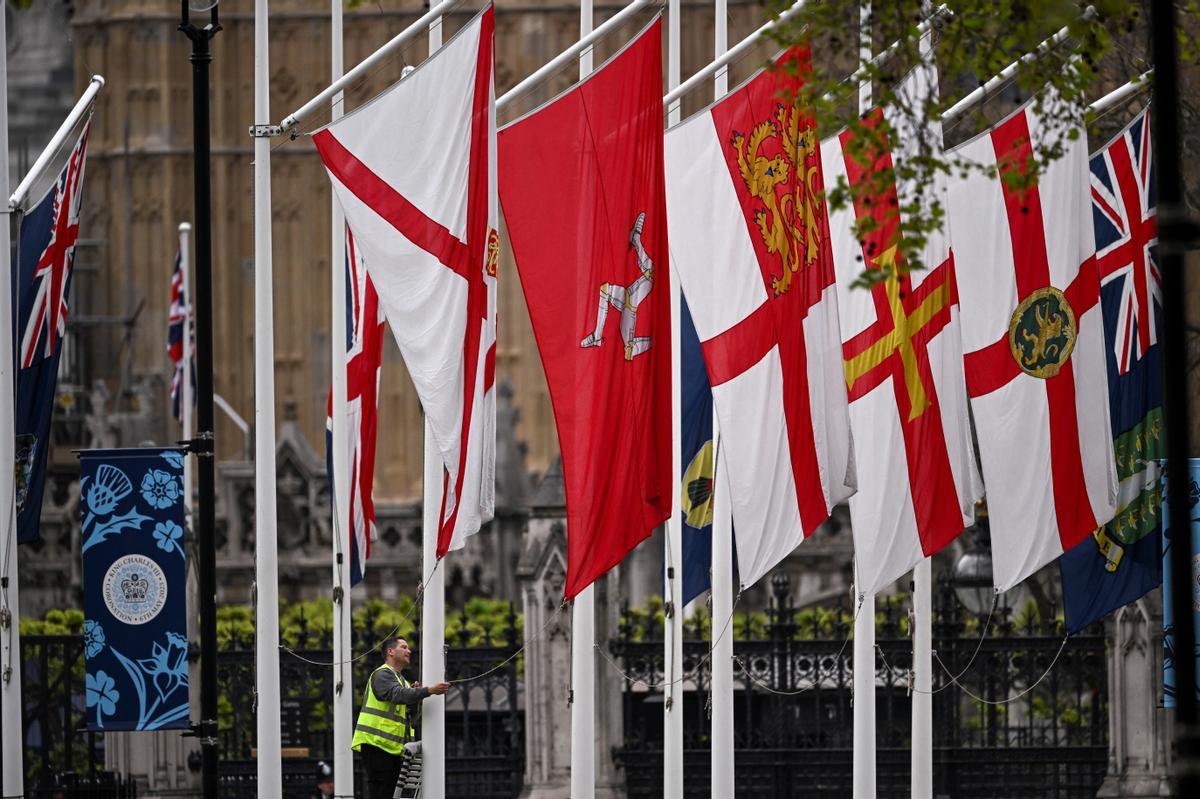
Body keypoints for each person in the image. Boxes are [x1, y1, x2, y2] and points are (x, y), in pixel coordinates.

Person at [352, 636, 449, 799]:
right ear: (390, 651)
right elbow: (396, 694)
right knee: (381, 792)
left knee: (390, 793)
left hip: (391, 748)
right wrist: (428, 691)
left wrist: (415, 696)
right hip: (377, 744)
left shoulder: (401, 681)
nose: (408, 651)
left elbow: (409, 714)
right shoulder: (382, 674)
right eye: (403, 647)